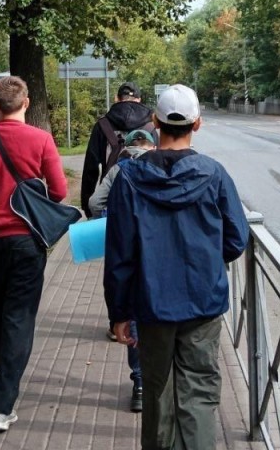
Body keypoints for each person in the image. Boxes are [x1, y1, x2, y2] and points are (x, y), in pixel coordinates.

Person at [104, 84, 250, 450]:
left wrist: (119, 312)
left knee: (156, 388)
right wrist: (206, 264)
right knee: (199, 389)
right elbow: (236, 238)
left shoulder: (128, 179)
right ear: (197, 124)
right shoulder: (214, 174)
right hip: (203, 302)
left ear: (155, 123)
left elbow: (119, 253)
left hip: (151, 304)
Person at [0, 75, 68, 435]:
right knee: (18, 317)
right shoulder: (41, 139)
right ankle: (1, 407)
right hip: (26, 242)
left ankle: (3, 368)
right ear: (25, 103)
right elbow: (59, 191)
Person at [88, 128, 157, 414]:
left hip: (128, 252)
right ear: (152, 146)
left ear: (128, 149)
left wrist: (111, 216)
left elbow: (94, 204)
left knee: (135, 316)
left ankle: (140, 384)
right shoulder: (164, 166)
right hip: (160, 252)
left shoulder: (119, 170)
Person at [80, 81, 154, 219]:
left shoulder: (102, 125)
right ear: (139, 100)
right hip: (145, 200)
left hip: (109, 197)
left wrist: (87, 205)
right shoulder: (151, 126)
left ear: (117, 98)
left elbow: (91, 168)